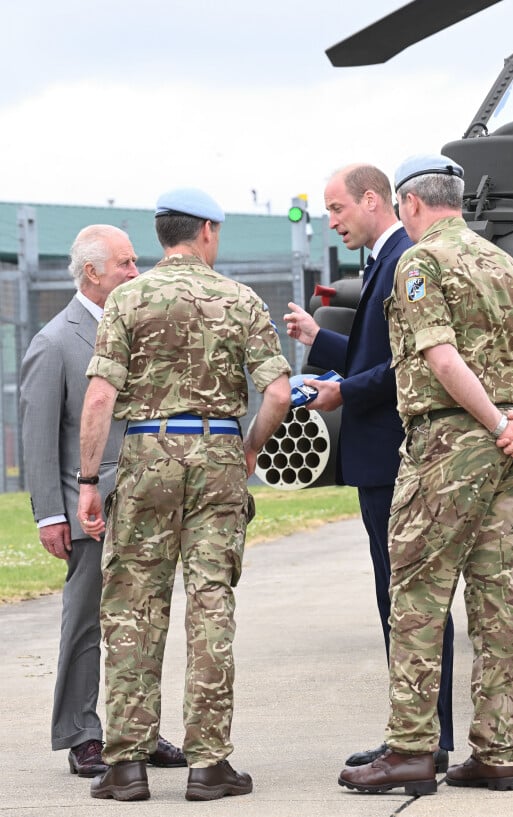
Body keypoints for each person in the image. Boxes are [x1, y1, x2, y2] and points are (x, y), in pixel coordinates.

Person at [338, 154, 513, 796]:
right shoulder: (504, 263)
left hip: (450, 445)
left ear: (408, 204)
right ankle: (496, 754)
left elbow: (438, 355)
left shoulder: (419, 260)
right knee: (499, 607)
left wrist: (493, 424)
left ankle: (411, 750)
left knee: (417, 595)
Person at [76, 188, 291, 802]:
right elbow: (277, 392)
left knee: (132, 610)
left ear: (162, 234)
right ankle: (209, 764)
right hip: (219, 456)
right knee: (210, 604)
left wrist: (90, 481)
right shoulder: (241, 299)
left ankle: (124, 765)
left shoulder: (126, 298)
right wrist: (246, 449)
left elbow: (99, 397)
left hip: (145, 456)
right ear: (206, 232)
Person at [284, 163, 454, 771]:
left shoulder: (405, 258)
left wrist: (341, 394)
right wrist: (319, 340)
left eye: (336, 209)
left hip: (394, 456)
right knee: (396, 597)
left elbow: (404, 367)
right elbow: (373, 354)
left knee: (409, 599)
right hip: (379, 456)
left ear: (374, 200)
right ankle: (415, 733)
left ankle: (424, 739)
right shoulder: (385, 260)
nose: (331, 222)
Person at [20, 224, 185, 778]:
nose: (136, 273)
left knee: (143, 620)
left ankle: (137, 731)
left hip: (145, 505)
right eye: (126, 264)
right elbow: (38, 438)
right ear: (93, 272)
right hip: (87, 510)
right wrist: (50, 514)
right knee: (86, 622)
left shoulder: (134, 329)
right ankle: (80, 732)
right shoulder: (55, 342)